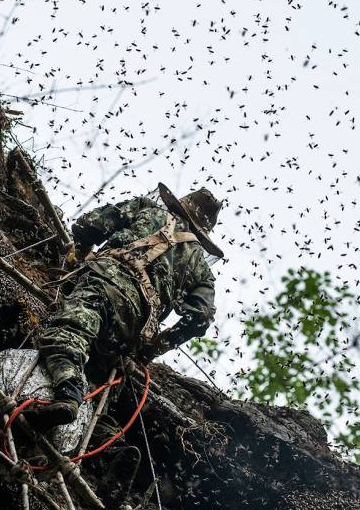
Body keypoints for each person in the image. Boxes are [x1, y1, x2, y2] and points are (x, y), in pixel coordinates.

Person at [24, 183, 222, 434]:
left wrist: (80, 253)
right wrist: (154, 348)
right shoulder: (201, 268)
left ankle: (68, 393)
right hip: (136, 328)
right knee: (102, 378)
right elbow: (200, 317)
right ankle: (105, 439)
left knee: (68, 333)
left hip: (105, 284)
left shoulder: (147, 209)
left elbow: (90, 224)